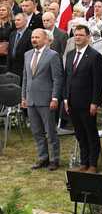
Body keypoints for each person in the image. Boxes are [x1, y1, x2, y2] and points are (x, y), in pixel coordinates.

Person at [64, 25, 102, 173]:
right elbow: (67, 78)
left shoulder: (94, 56)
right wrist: (66, 99)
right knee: (80, 134)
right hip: (72, 101)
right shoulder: (70, 55)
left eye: (81, 35)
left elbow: (98, 82)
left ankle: (93, 164)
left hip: (87, 103)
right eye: (76, 34)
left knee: (90, 133)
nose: (78, 37)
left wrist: (95, 102)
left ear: (88, 37)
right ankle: (84, 161)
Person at [21, 28, 63, 171]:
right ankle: (43, 157)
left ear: (46, 39)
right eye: (33, 37)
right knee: (37, 131)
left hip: (46, 100)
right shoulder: (27, 55)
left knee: (50, 132)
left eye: (37, 37)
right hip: (31, 99)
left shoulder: (52, 55)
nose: (34, 39)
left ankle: (54, 159)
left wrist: (55, 98)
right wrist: (23, 97)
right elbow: (26, 77)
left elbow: (57, 79)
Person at [7, 13, 32, 79]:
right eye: (15, 20)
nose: (16, 22)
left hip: (23, 69)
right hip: (11, 69)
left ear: (25, 21)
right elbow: (9, 52)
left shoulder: (30, 34)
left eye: (18, 20)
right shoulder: (12, 34)